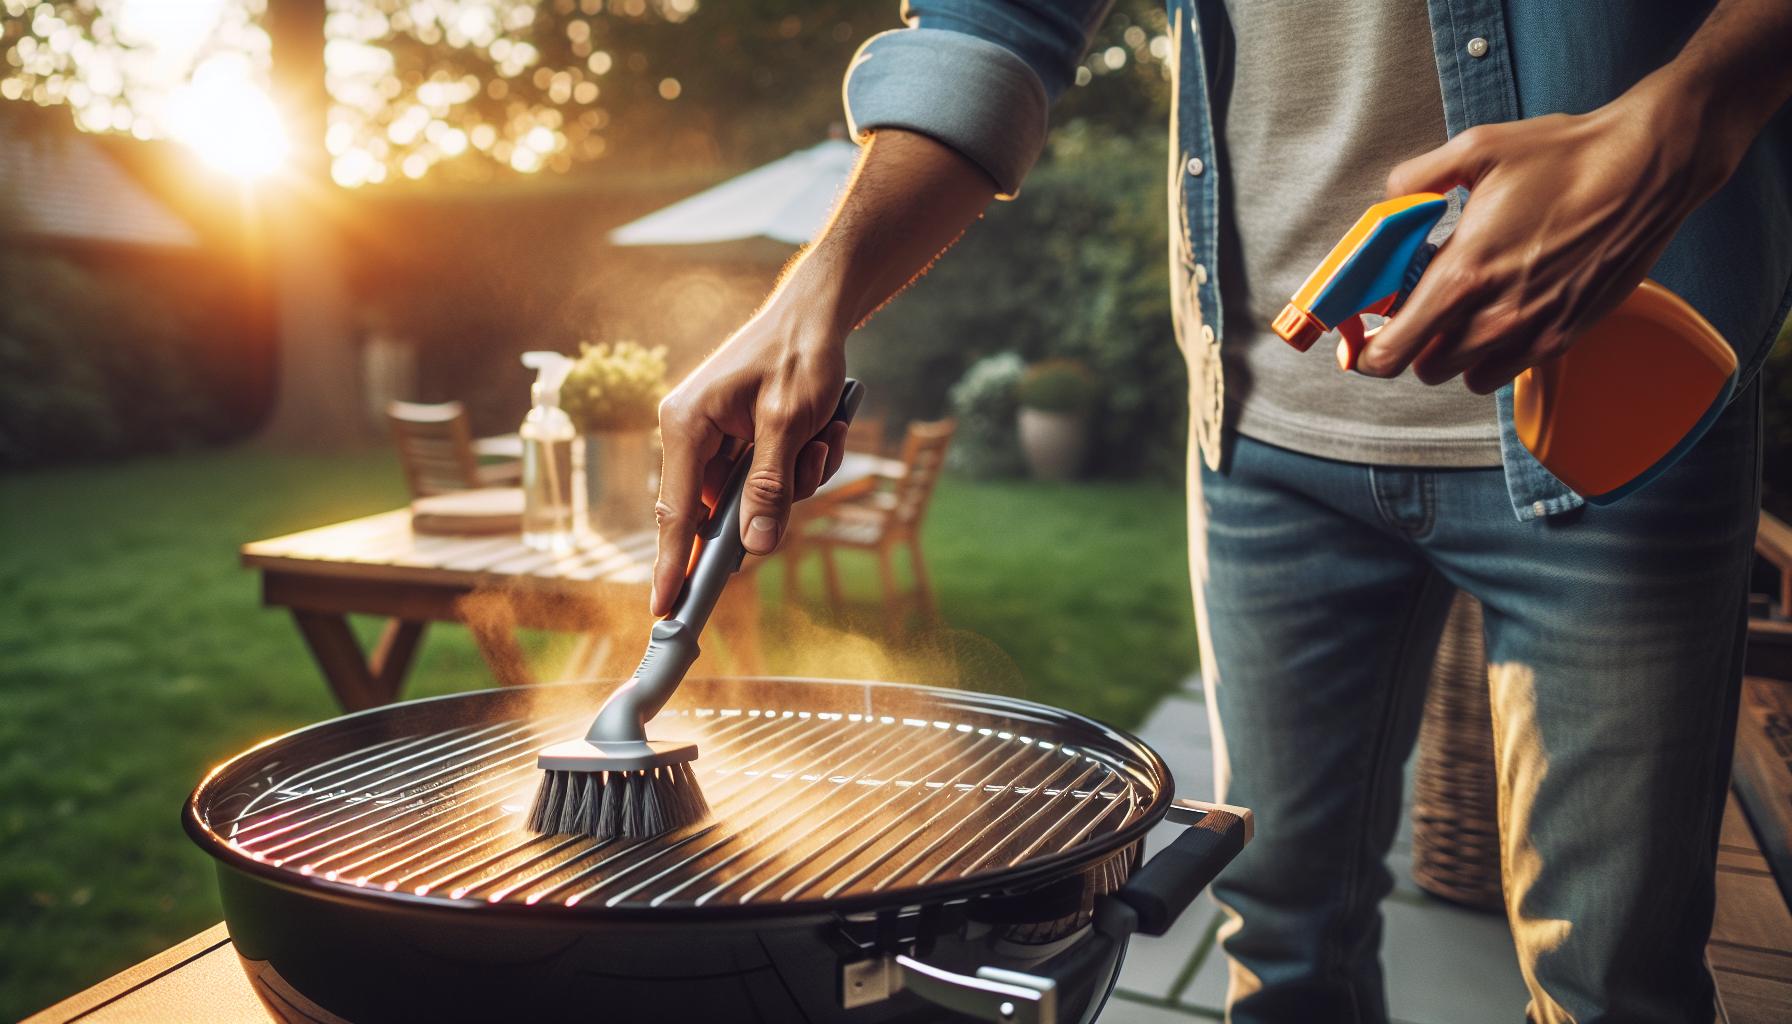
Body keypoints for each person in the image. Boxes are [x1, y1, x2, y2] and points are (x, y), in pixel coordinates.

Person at [649, 2, 1792, 1020]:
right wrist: (818, 285)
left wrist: (1689, 113)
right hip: (1264, 428)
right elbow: (995, 20)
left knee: (1614, 986)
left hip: (1629, 394)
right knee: (1277, 937)